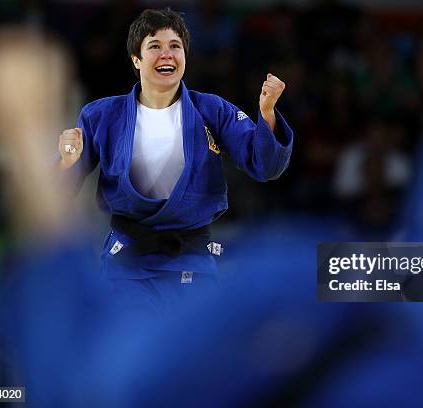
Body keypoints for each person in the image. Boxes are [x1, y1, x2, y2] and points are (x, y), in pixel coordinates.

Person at [57, 8, 293, 310]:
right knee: (134, 350)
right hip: (127, 264)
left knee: (195, 353)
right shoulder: (101, 115)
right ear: (136, 59)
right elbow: (59, 193)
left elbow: (266, 166)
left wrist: (268, 113)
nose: (166, 54)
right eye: (155, 46)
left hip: (193, 260)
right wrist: (66, 162)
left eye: (175, 46)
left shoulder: (213, 110)